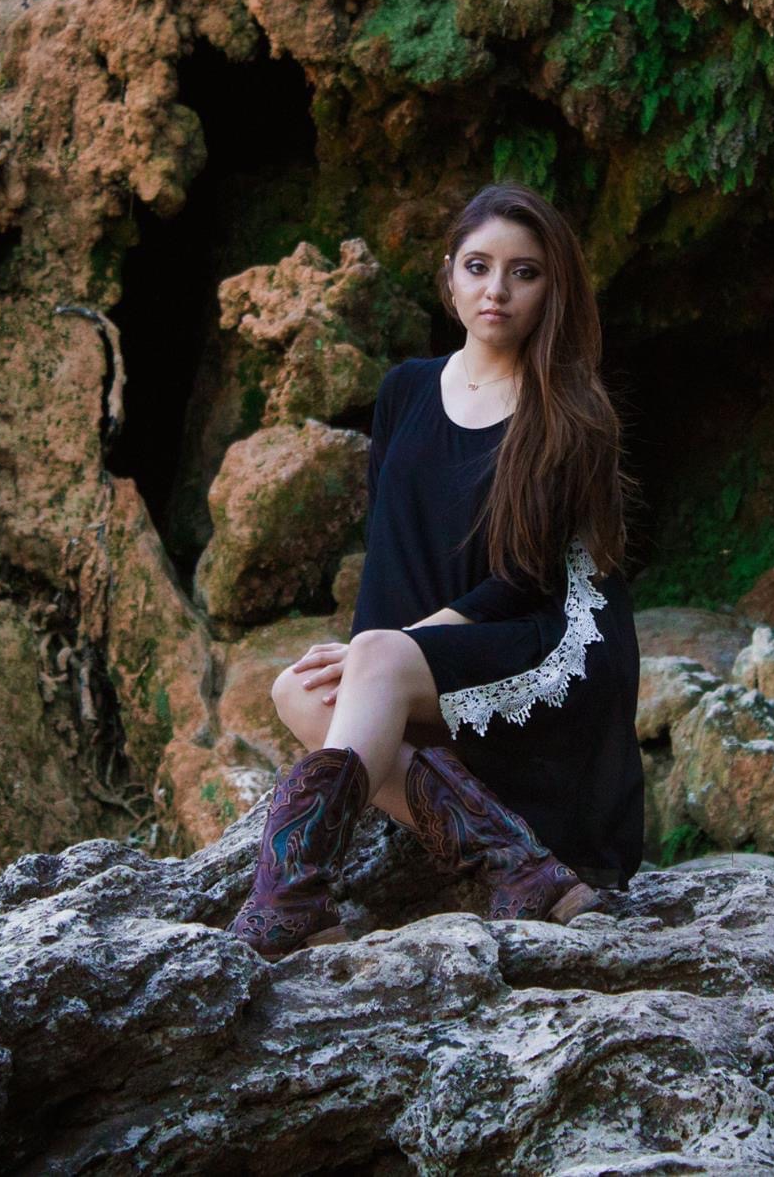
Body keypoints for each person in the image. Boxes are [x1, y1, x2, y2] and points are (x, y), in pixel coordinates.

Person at [228, 183, 647, 960]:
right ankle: (514, 860)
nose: (498, 289)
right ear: (449, 273)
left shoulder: (570, 408)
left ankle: (291, 895)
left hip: (549, 642)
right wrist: (371, 661)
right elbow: (390, 550)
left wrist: (388, 652)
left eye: (524, 272)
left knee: (373, 660)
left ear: (552, 286)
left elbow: (527, 579)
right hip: (439, 649)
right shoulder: (405, 391)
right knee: (296, 687)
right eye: (479, 266)